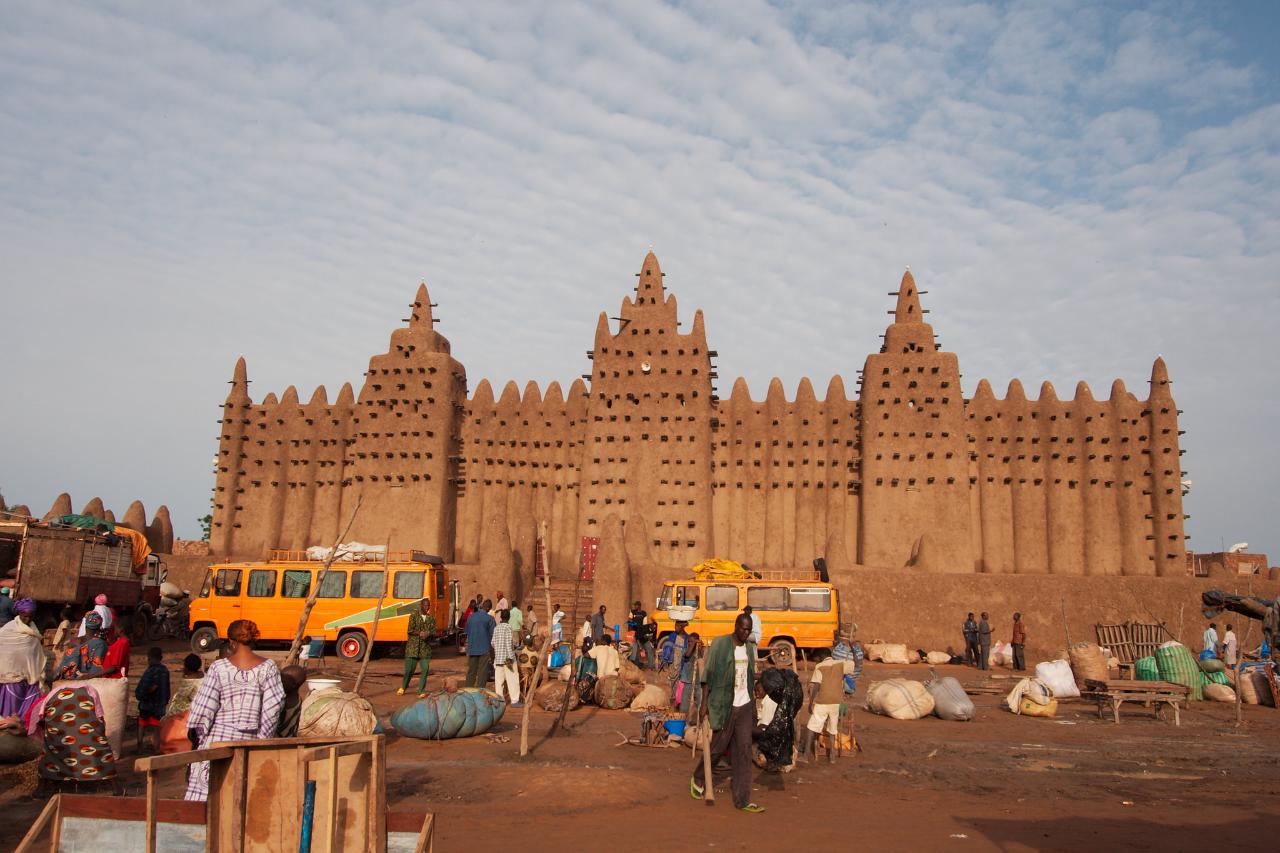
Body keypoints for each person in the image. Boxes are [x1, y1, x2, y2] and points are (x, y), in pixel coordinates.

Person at [184, 619, 285, 801]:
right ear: (253, 639)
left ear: (231, 641)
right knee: (241, 798)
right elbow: (273, 708)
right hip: (250, 745)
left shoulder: (219, 668)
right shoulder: (269, 668)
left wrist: (198, 735)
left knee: (209, 799)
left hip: (216, 743)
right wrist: (262, 741)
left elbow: (204, 707)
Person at [690, 613, 763, 813]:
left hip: (744, 705)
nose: (746, 632)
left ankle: (742, 799)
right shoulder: (721, 644)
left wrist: (760, 680)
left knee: (744, 750)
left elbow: (748, 674)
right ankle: (698, 776)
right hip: (724, 705)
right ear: (736, 626)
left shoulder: (749, 648)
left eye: (749, 630)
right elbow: (708, 675)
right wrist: (704, 704)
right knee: (718, 747)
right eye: (743, 628)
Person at [30, 681, 122, 796]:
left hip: (59, 737)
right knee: (100, 748)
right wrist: (99, 736)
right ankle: (116, 788)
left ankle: (41, 790)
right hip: (89, 735)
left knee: (49, 752)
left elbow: (38, 724)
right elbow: (99, 717)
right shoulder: (90, 692)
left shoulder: (44, 701)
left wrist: (50, 739)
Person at [803, 646, 859, 764]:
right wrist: (853, 650)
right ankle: (832, 755)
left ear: (821, 657)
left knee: (811, 727)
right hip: (836, 702)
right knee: (833, 729)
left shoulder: (819, 666)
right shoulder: (841, 663)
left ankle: (805, 755)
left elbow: (816, 686)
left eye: (817, 658)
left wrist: (811, 702)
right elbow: (857, 664)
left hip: (823, 701)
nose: (816, 660)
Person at [0, 597, 45, 719]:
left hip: (30, 679)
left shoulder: (33, 631)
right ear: (19, 614)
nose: (27, 619)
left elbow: (36, 655)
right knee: (10, 712)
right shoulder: (7, 630)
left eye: (30, 616)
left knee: (29, 714)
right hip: (10, 678)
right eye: (24, 616)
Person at [754, 667, 803, 771]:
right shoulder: (782, 697)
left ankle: (773, 761)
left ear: (765, 687)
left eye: (758, 690)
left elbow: (765, 725)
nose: (756, 694)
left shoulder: (769, 700)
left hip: (776, 737)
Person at [135, 646, 171, 753]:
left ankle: (139, 748)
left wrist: (140, 696)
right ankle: (156, 749)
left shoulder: (150, 671)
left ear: (149, 658)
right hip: (159, 705)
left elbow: (144, 689)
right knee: (156, 727)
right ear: (161, 657)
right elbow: (167, 688)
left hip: (147, 704)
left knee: (141, 725)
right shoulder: (165, 670)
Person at [400, 599, 436, 697]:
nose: (427, 608)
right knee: (409, 670)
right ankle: (403, 686)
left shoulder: (431, 618)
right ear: (421, 605)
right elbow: (410, 630)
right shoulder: (414, 616)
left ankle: (421, 691)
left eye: (428, 606)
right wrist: (420, 633)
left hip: (425, 649)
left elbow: (433, 632)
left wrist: (429, 633)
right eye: (425, 605)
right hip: (413, 648)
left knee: (425, 669)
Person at [491, 609, 521, 707]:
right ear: (509, 618)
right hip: (507, 660)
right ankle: (515, 701)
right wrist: (512, 658)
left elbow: (492, 643)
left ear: (501, 617)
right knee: (513, 680)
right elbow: (508, 644)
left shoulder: (496, 628)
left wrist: (498, 650)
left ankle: (500, 701)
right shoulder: (508, 627)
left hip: (498, 659)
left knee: (499, 682)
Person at [464, 599, 496, 688]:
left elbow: (466, 631)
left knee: (471, 671)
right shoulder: (490, 619)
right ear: (489, 608)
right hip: (484, 649)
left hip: (472, 648)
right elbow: (494, 634)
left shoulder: (471, 617)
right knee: (482, 672)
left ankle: (468, 690)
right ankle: (480, 691)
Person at [69, 611, 109, 678]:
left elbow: (68, 662)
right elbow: (98, 666)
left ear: (85, 625)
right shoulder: (101, 644)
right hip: (91, 679)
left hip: (73, 679)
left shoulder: (74, 641)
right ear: (99, 627)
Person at [277, 665, 307, 738]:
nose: (279, 682)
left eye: (283, 681)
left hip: (281, 742)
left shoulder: (285, 703)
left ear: (293, 685)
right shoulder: (297, 699)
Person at [628, 601, 656, 670]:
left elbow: (644, 625)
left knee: (649, 649)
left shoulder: (644, 613)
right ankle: (634, 665)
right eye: (634, 605)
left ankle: (651, 666)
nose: (634, 607)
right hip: (635, 634)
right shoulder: (632, 611)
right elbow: (629, 620)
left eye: (636, 605)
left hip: (642, 634)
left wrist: (649, 639)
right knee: (634, 650)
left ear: (639, 606)